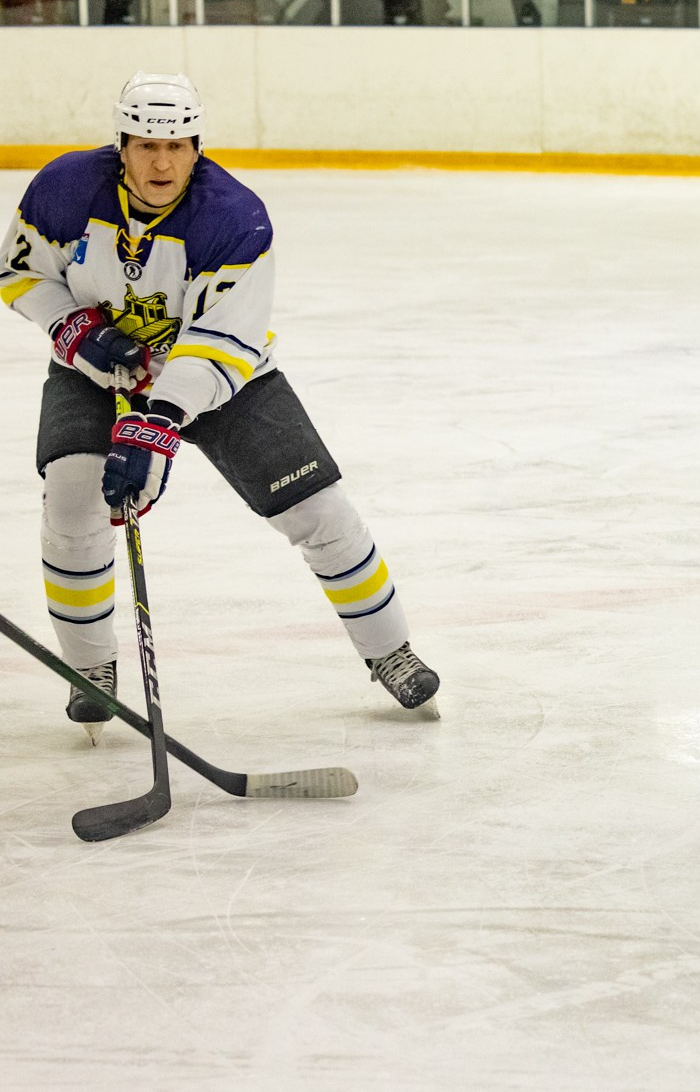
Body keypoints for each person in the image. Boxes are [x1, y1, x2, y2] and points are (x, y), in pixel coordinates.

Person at [1, 71, 442, 728]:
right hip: (97, 370)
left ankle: (391, 652)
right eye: (146, 144)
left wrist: (156, 427)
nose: (161, 160)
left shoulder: (234, 218)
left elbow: (221, 344)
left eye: (177, 145)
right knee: (72, 498)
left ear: (196, 147)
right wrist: (70, 326)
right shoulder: (64, 189)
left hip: (221, 378)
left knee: (318, 508)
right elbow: (19, 270)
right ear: (119, 144)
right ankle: (89, 667)